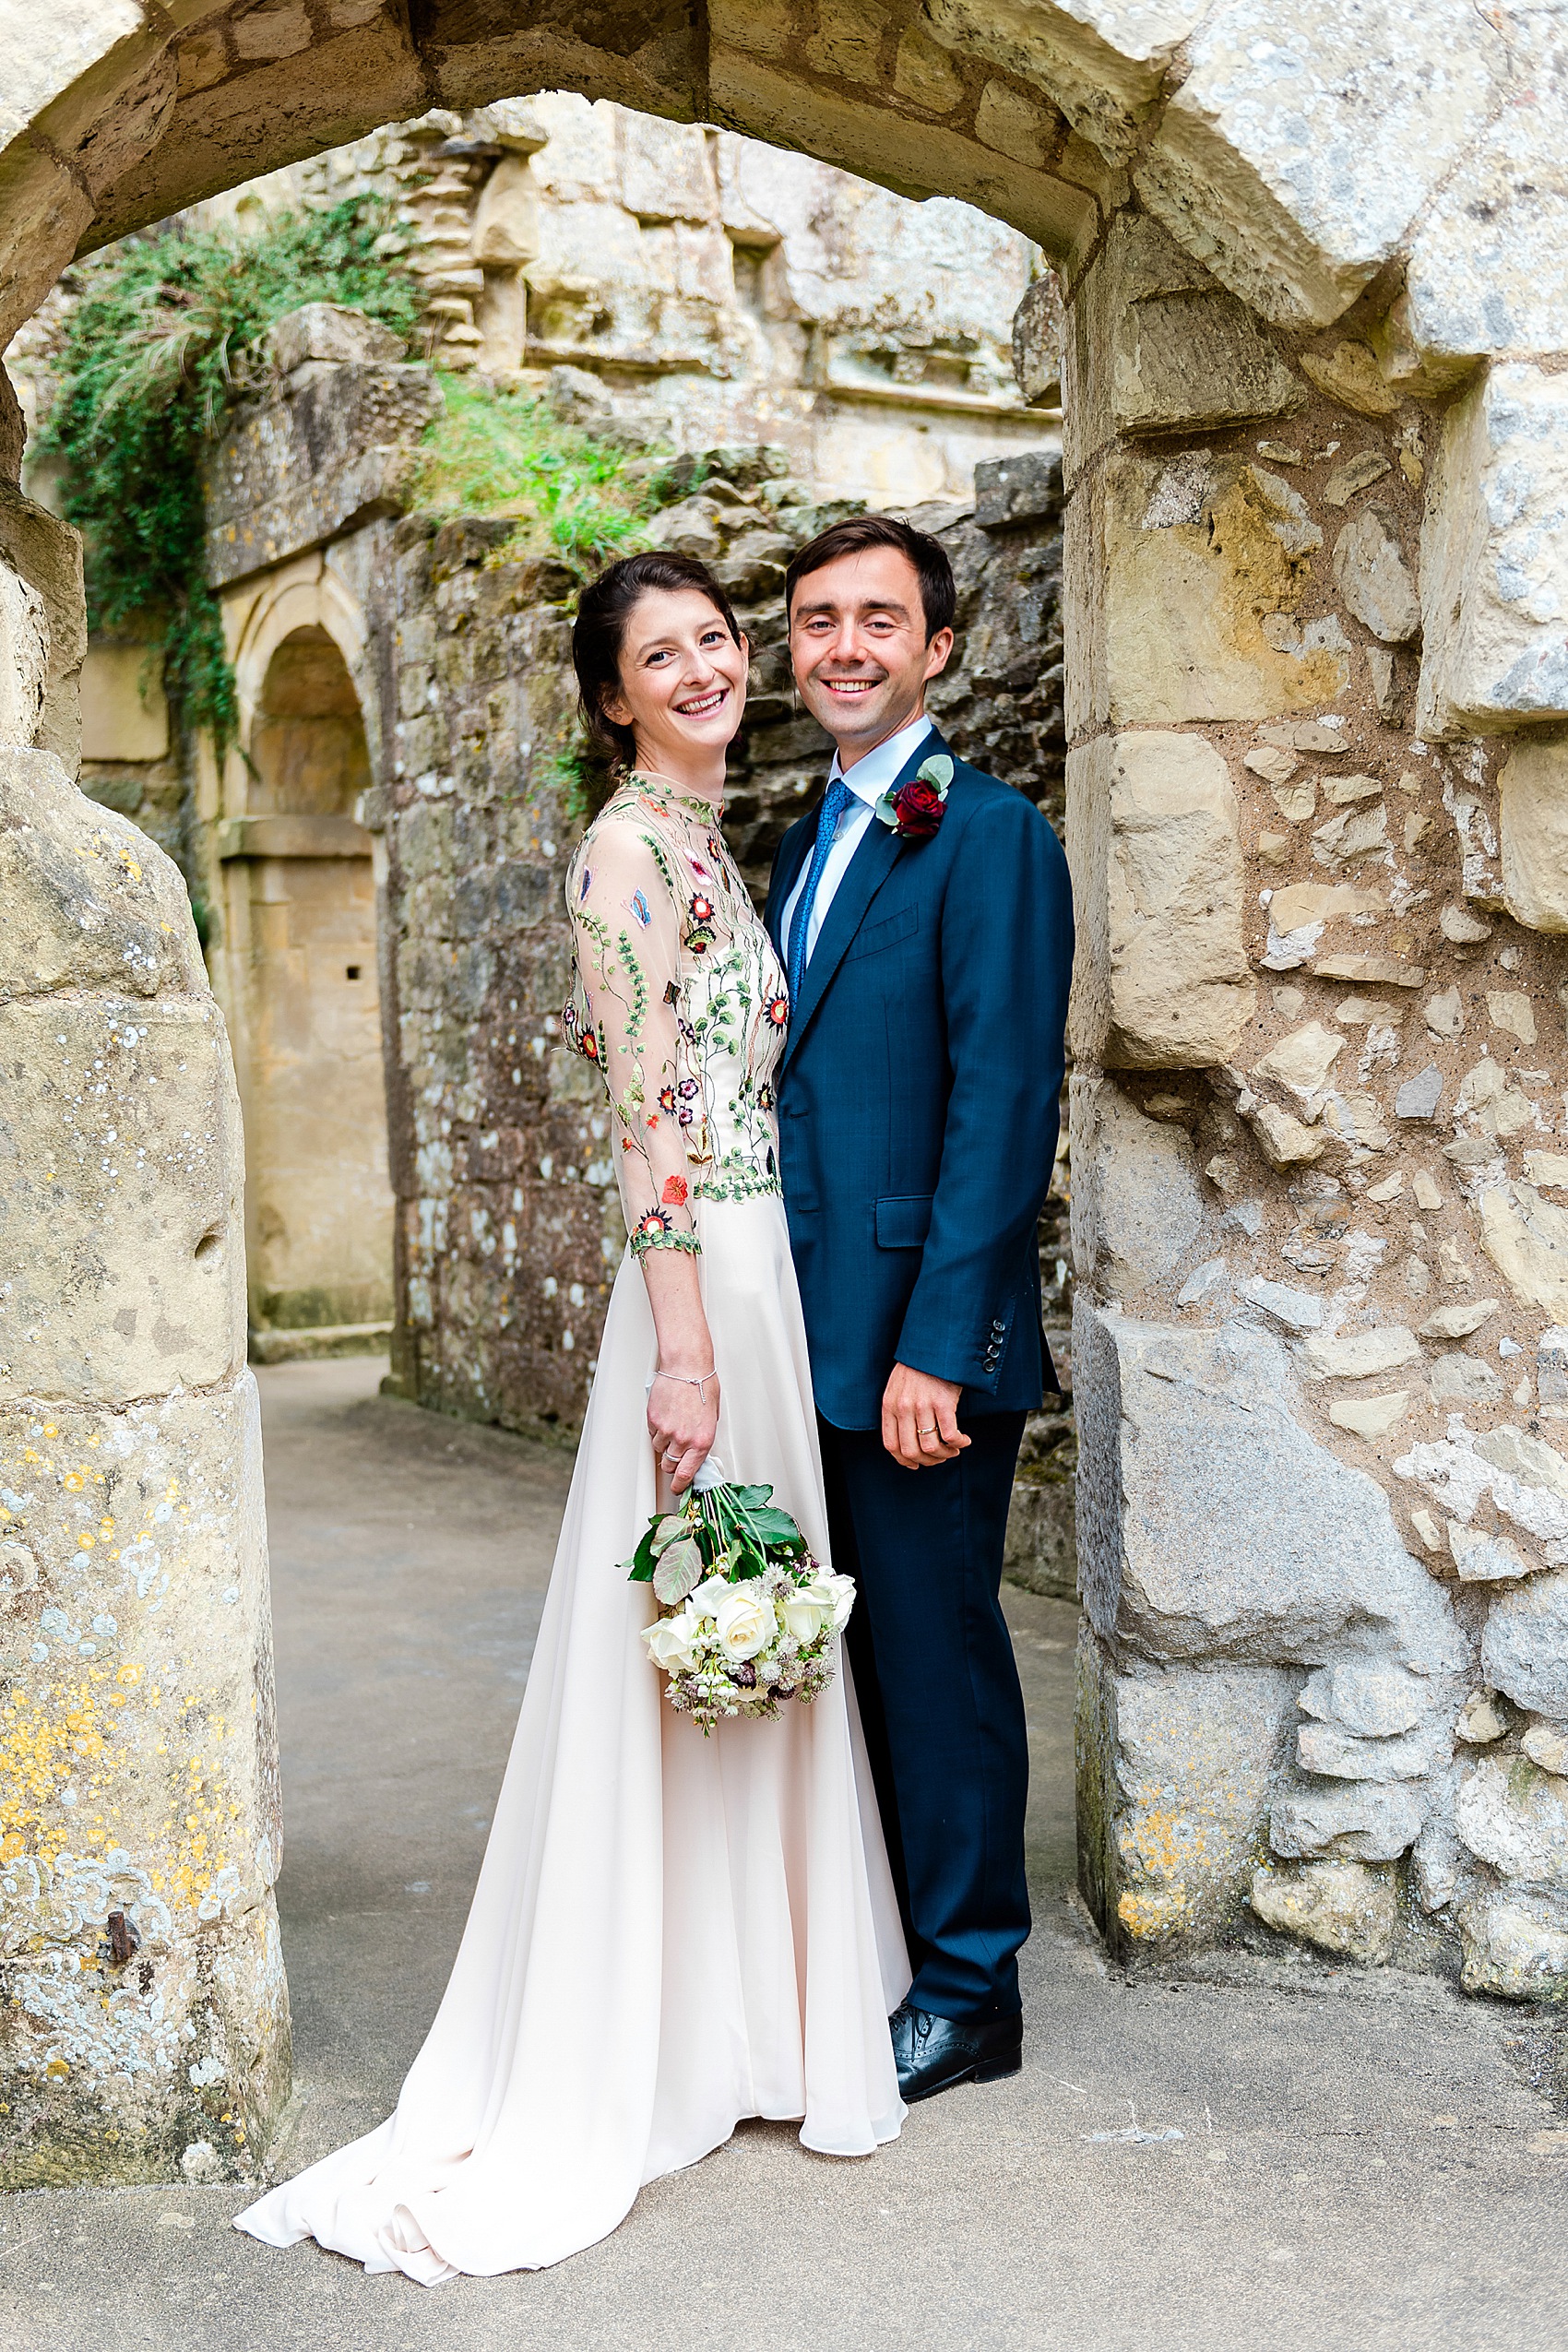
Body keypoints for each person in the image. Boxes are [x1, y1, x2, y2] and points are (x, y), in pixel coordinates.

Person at [233, 550, 907, 2283]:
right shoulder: (624, 851)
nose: (699, 669)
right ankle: (665, 2025)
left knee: (753, 1632)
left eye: (711, 641)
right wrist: (683, 1352)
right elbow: (647, 1130)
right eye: (657, 656)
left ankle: (753, 2011)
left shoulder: (704, 842)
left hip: (760, 1279)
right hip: (703, 1295)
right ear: (610, 698)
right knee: (695, 1630)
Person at [766, 515, 1073, 2104]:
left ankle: (971, 1986)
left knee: (940, 1662)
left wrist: (938, 1345)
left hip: (915, 1349)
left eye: (881, 620)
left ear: (939, 648)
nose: (847, 647)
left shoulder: (992, 835)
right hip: (799, 1332)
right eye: (820, 620)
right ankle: (887, 1946)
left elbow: (1005, 1107)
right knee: (855, 1658)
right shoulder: (805, 842)